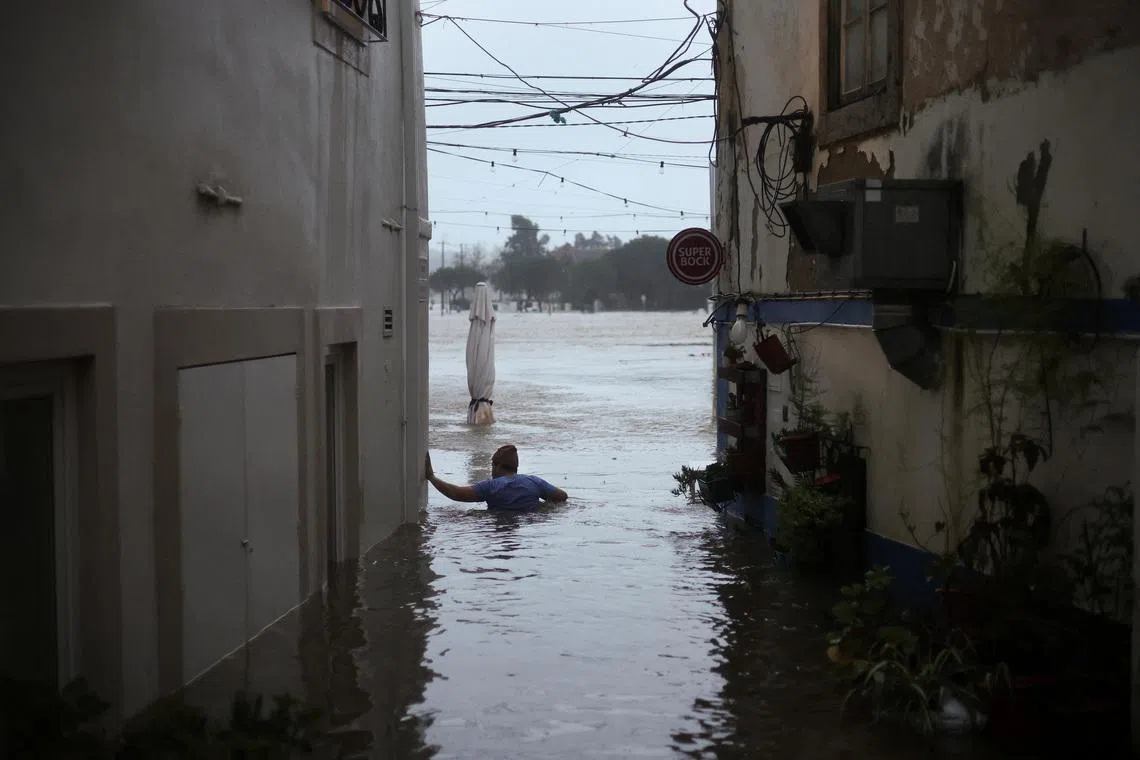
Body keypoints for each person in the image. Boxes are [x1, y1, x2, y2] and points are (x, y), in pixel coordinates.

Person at [425, 444, 568, 510]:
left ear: (497, 466)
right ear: (515, 467)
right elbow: (562, 496)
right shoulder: (534, 482)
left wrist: (431, 477)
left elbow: (457, 494)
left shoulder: (491, 487)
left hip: (498, 522)